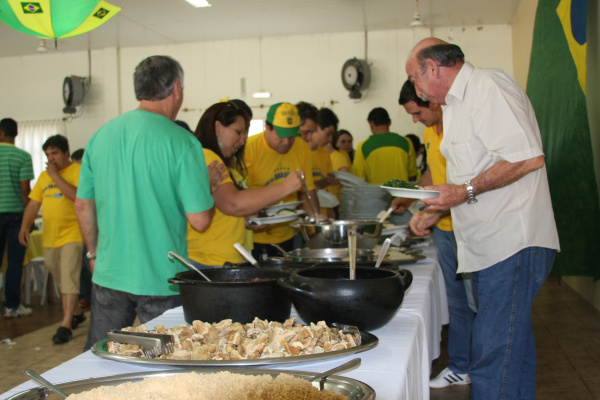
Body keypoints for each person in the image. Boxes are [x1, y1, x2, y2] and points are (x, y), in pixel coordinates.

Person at [405, 38, 560, 399]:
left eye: (415, 79)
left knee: (491, 355)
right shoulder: (456, 106)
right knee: (512, 353)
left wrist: (462, 193)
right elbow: (474, 175)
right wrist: (438, 209)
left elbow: (527, 158)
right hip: (492, 248)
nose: (417, 89)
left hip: (512, 244)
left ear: (433, 68)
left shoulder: (487, 86)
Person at [75, 55, 215, 351]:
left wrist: (93, 252)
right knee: (167, 363)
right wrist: (210, 186)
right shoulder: (182, 142)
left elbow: (83, 205)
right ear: (176, 88)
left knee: (101, 359)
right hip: (160, 279)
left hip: (109, 273)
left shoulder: (100, 136)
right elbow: (200, 220)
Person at [396, 79, 477, 388]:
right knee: (457, 301)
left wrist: (432, 211)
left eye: (417, 113)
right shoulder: (430, 133)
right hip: (444, 230)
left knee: (477, 302)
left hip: (467, 227)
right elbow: (431, 173)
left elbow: (467, 183)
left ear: (432, 101)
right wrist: (416, 198)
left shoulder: (460, 128)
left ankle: (481, 367)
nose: (416, 121)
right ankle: (460, 365)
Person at [187, 101, 304, 267]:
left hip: (223, 258)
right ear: (218, 127)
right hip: (208, 260)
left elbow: (223, 207)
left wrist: (244, 218)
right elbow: (232, 203)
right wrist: (285, 187)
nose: (243, 141)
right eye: (238, 132)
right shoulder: (208, 158)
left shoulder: (227, 161)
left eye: (245, 133)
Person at [19, 134, 85, 344]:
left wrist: (56, 176)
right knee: (61, 278)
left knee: (69, 278)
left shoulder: (77, 172)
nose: (51, 158)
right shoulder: (43, 177)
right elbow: (33, 204)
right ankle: (76, 312)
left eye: (55, 153)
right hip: (50, 238)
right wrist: (24, 226)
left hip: (73, 235)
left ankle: (65, 325)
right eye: (48, 154)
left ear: (66, 153)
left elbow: (77, 196)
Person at [244, 102, 317, 259]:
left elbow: (307, 190)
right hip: (254, 237)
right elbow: (242, 196)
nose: (286, 142)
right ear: (267, 128)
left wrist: (315, 219)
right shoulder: (249, 149)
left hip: (289, 234)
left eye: (292, 137)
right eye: (281, 136)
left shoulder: (302, 148)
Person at [0, 118, 34, 318]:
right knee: (14, 262)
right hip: (15, 216)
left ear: (1, 132)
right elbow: (24, 190)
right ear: (16, 134)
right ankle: (12, 306)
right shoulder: (22, 156)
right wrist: (27, 216)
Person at [351, 107, 418, 184]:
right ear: (389, 122)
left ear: (371, 123)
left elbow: (359, 179)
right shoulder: (406, 142)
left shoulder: (363, 146)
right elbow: (412, 176)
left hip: (376, 194)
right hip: (402, 194)